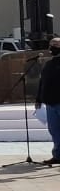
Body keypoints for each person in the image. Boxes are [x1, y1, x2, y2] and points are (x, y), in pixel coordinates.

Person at [35, 37, 60, 165]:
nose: (52, 48)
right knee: (54, 130)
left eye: (55, 45)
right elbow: (42, 82)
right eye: (51, 45)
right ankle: (57, 156)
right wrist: (39, 99)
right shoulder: (48, 64)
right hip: (50, 103)